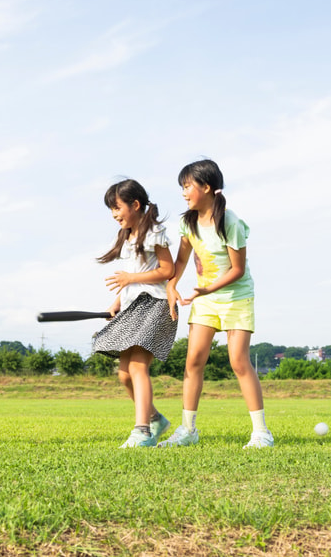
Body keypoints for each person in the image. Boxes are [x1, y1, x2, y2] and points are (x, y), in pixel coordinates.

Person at [160, 159, 274, 449]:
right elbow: (182, 259)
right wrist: (172, 285)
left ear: (207, 187)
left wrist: (206, 288)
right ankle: (188, 431)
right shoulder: (188, 223)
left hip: (235, 297)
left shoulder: (230, 222)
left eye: (188, 186)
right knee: (194, 360)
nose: (184, 193)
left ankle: (261, 433)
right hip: (206, 299)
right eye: (182, 187)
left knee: (238, 360)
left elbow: (237, 269)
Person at [92, 180, 178, 448]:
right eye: (111, 209)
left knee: (139, 367)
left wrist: (130, 278)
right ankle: (155, 419)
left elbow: (167, 271)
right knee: (124, 374)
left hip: (155, 304)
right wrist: (116, 303)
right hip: (133, 306)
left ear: (135, 205)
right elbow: (132, 281)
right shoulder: (128, 236)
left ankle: (142, 431)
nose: (114, 214)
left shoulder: (153, 232)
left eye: (117, 207)